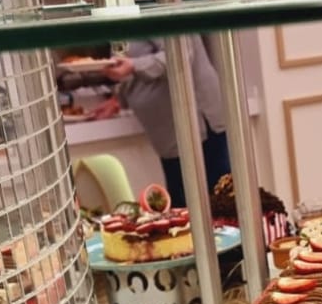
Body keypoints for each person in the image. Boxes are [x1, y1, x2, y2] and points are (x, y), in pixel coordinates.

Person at [98, 37, 231, 206]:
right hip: (168, 135)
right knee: (182, 208)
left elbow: (180, 54)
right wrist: (118, 98)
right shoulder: (119, 24)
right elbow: (124, 59)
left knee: (216, 206)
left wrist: (133, 66)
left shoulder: (157, 17)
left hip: (196, 125)